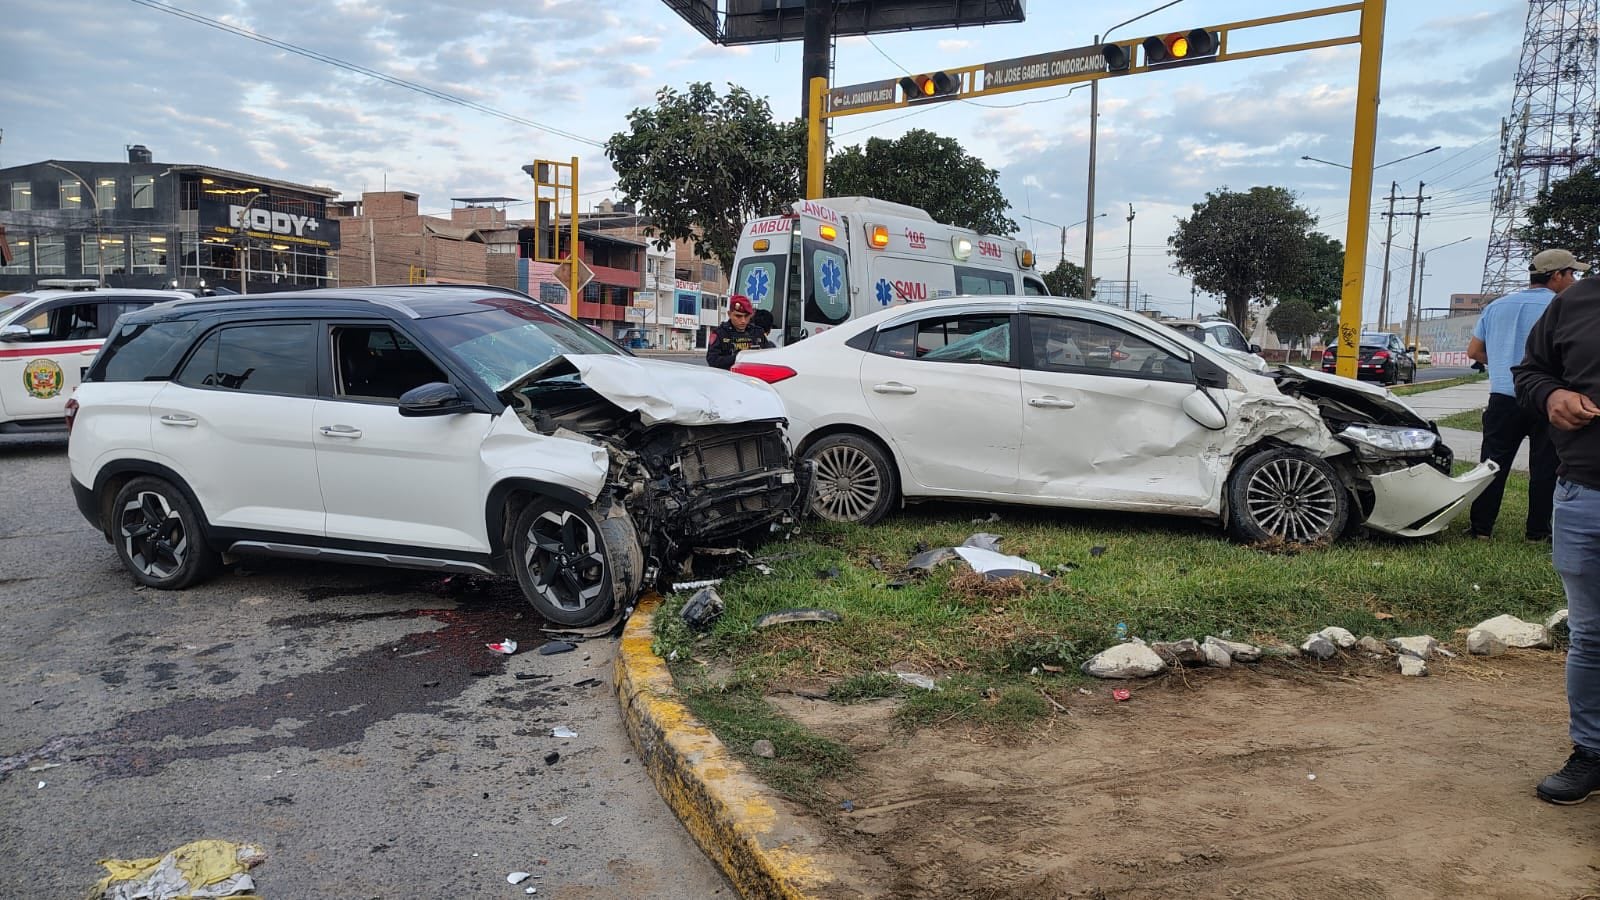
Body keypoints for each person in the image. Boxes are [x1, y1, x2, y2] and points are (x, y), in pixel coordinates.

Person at [1513, 262, 1600, 805]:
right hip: (1584, 494)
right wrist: (1550, 396)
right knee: (1591, 637)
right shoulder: (1577, 302)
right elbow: (1530, 372)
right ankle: (1592, 752)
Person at [1465, 249, 1582, 540]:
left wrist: (1507, 362)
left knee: (1492, 464)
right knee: (1545, 466)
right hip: (1547, 396)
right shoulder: (1564, 306)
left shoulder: (1497, 306)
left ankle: (1481, 528)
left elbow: (1475, 352)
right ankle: (1538, 531)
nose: (1575, 279)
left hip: (1503, 397)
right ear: (1556, 276)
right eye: (1572, 273)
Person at [705, 295, 771, 370]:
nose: (743, 321)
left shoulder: (757, 332)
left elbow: (769, 356)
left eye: (746, 316)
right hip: (729, 377)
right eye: (738, 316)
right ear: (729, 314)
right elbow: (712, 360)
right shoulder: (720, 333)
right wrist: (739, 357)